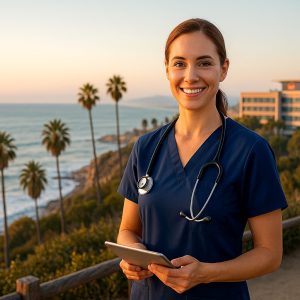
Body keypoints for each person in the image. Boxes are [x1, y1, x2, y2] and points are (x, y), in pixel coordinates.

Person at [117, 18, 287, 300]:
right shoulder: (146, 147)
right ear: (167, 70)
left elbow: (270, 254)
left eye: (204, 63)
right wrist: (132, 257)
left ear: (224, 69)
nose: (191, 75)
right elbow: (127, 230)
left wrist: (205, 273)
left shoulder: (251, 150)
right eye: (180, 63)